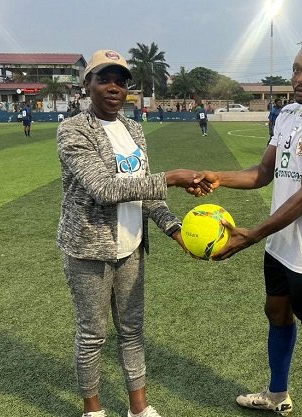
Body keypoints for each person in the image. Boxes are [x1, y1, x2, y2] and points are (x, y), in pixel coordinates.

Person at [192, 34, 302, 417]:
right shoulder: (286, 116)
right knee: (277, 314)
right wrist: (219, 176)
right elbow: (264, 172)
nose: (301, 77)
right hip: (280, 245)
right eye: (297, 69)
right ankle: (277, 395)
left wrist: (250, 235)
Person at [57, 49, 209, 417]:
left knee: (132, 330)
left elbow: (144, 193)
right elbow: (104, 189)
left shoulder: (133, 128)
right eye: (104, 78)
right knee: (93, 335)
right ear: (87, 83)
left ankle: (138, 408)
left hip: (132, 246)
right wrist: (170, 178)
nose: (114, 87)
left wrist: (177, 232)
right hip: (89, 250)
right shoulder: (73, 130)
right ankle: (93, 410)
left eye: (121, 81)